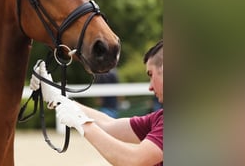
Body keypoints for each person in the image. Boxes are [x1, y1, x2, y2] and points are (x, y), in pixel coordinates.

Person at [30, 40, 163, 166]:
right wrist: (58, 97)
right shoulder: (160, 118)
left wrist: (82, 123)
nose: (150, 87)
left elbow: (134, 160)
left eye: (151, 74)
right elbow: (109, 125)